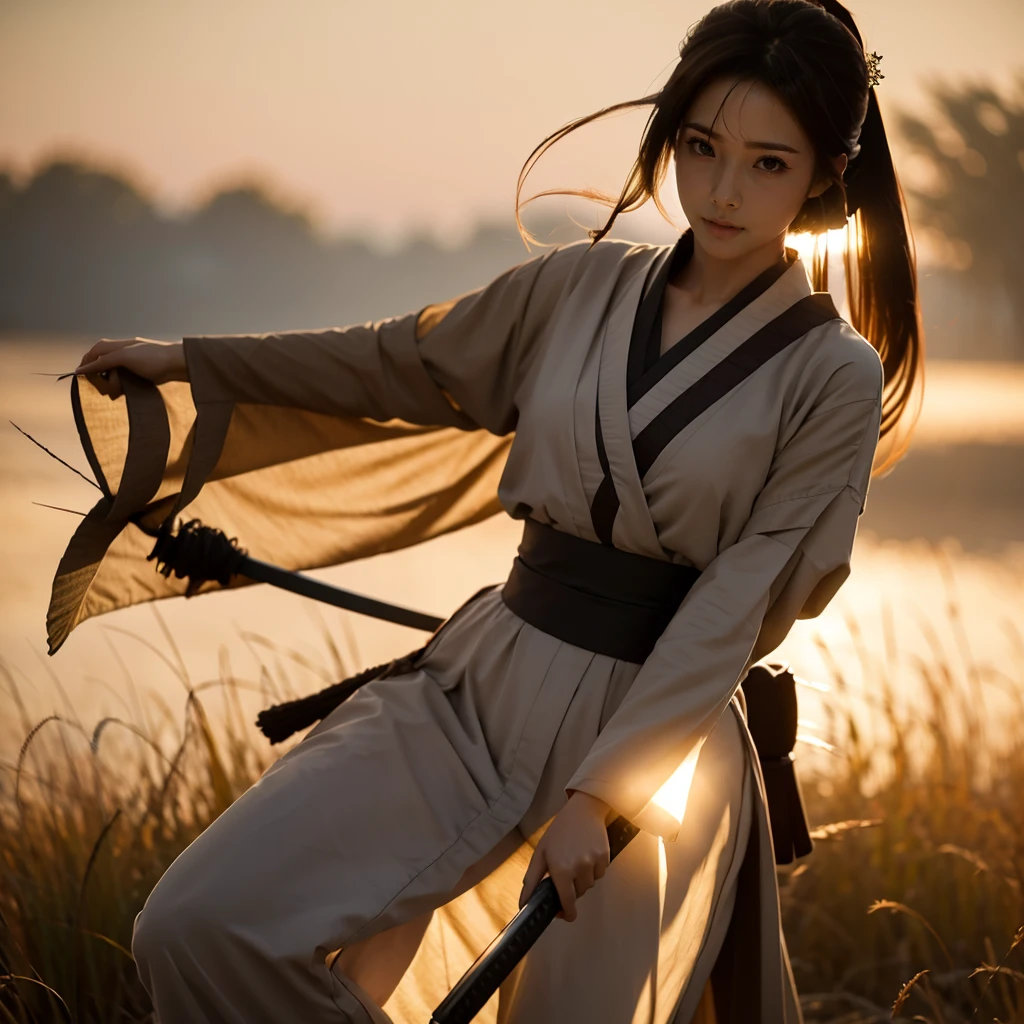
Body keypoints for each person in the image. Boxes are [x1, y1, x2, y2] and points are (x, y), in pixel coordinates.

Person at [58, 0, 923, 1020]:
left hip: (655, 752)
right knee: (196, 922)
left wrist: (600, 797)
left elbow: (739, 600)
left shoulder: (833, 374)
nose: (723, 190)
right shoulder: (578, 287)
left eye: (767, 163)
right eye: (701, 147)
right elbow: (398, 359)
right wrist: (194, 361)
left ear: (825, 172)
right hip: (479, 678)